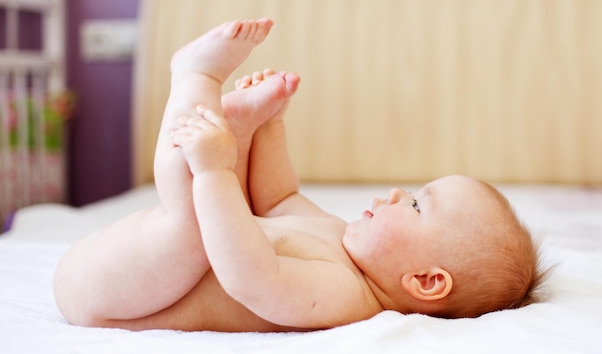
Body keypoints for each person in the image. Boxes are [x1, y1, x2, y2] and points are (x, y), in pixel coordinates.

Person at [53, 19, 547, 332]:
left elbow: (251, 277)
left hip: (113, 298)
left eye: (418, 205)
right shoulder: (340, 240)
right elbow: (279, 199)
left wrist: (216, 170)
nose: (398, 192)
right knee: (214, 214)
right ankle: (238, 124)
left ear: (425, 280)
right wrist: (271, 127)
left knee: (194, 223)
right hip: (126, 273)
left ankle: (195, 79)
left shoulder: (347, 298)